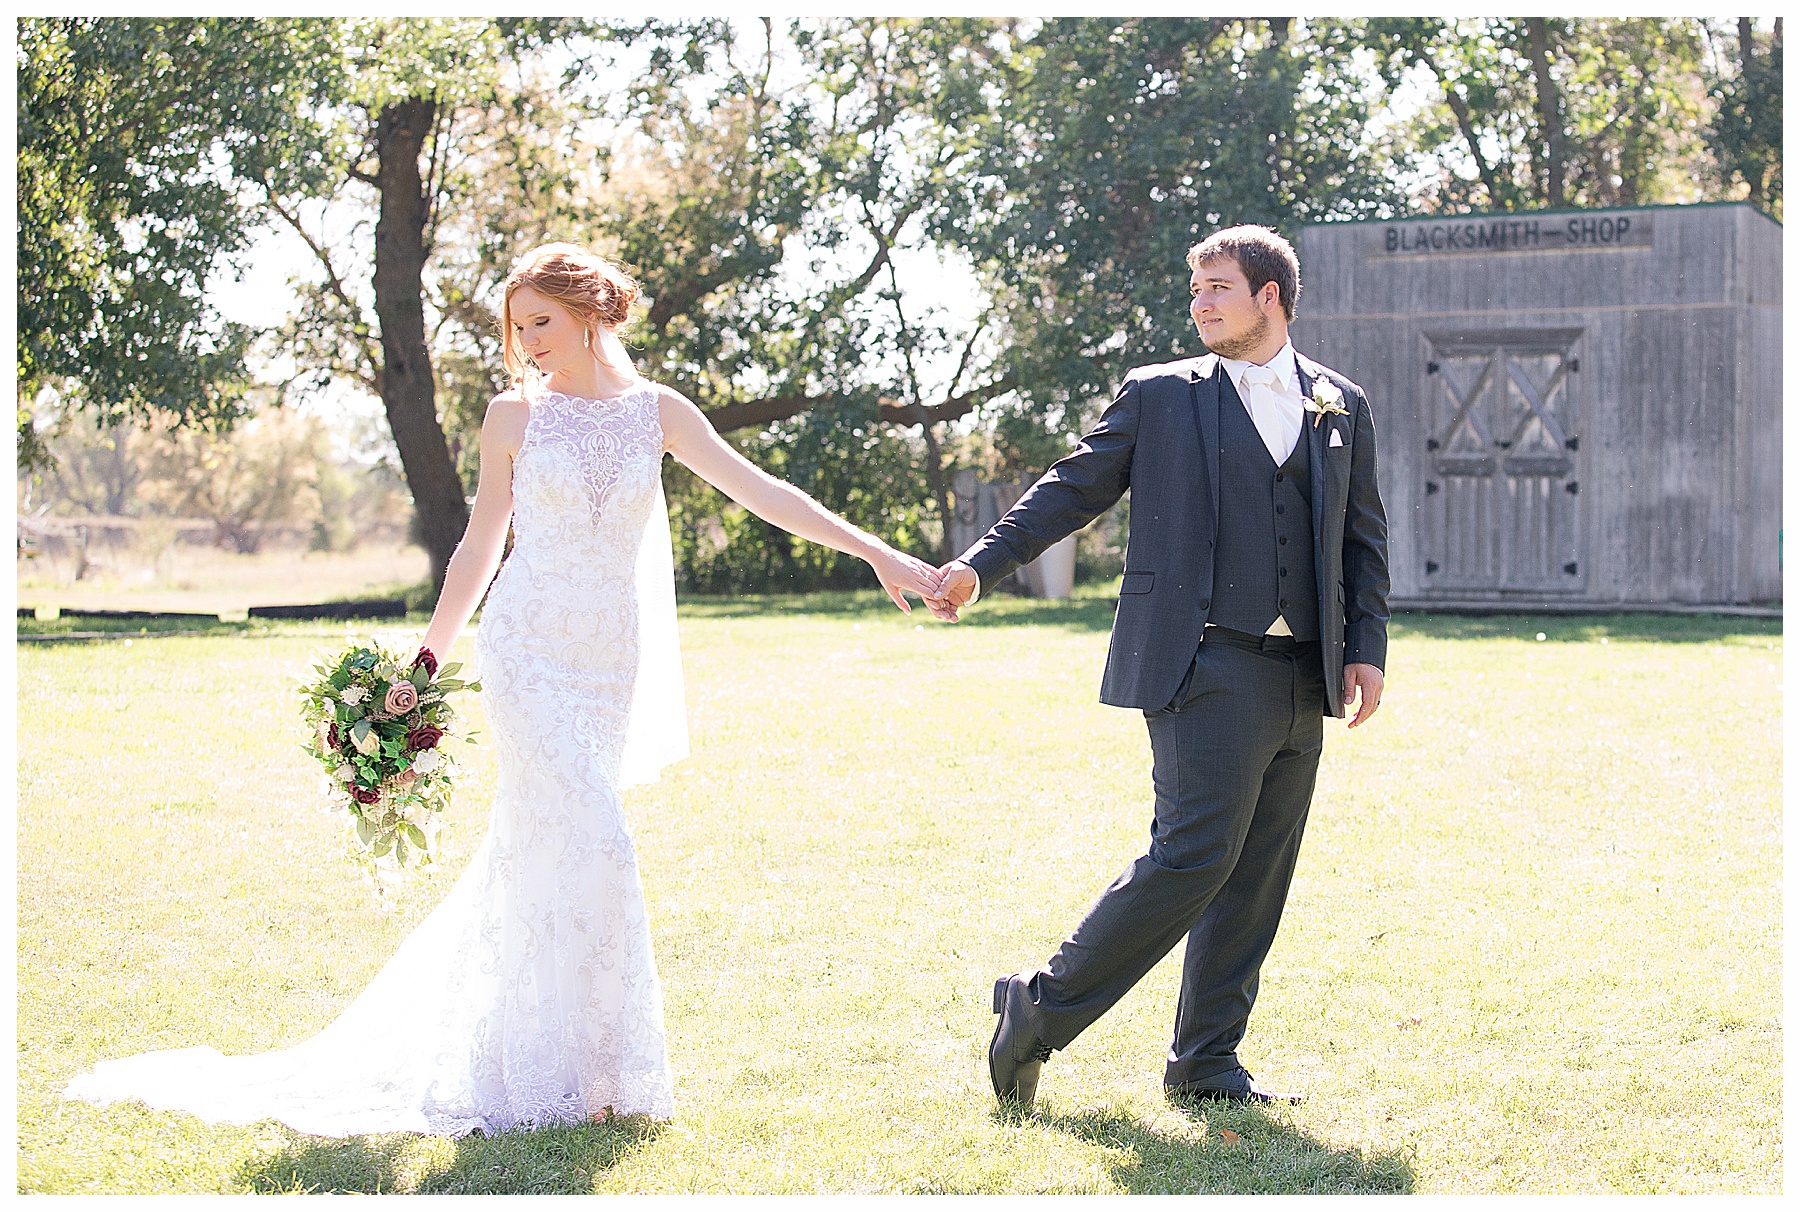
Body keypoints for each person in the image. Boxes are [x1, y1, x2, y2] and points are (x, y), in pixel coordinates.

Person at [65, 243, 943, 1137]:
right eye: (518, 328)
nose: (526, 343)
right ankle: (598, 1076)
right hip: (526, 649)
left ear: (590, 314)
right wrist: (427, 659)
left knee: (552, 854)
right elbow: (483, 542)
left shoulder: (659, 412)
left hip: (609, 661)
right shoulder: (513, 417)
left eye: (542, 323)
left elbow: (766, 493)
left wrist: (878, 552)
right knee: (601, 841)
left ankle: (568, 1078)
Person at [924, 225, 1389, 1112]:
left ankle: (1207, 1061)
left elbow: (1362, 537)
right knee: (1192, 856)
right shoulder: (1161, 396)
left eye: (1218, 287)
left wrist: (1365, 646)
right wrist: (981, 564)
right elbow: (1073, 487)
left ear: (1270, 297)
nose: (1201, 303)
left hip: (1306, 673)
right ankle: (1040, 1008)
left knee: (1256, 872)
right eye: (1196, 289)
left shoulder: (1341, 404)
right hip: (1204, 661)